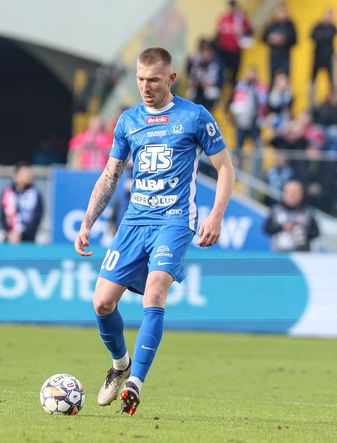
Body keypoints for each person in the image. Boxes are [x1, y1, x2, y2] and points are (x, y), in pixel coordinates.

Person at [74, 47, 234, 416]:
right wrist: (87, 222)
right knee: (101, 303)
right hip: (134, 221)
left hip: (175, 219)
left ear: (171, 79)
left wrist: (216, 215)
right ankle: (120, 367)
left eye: (154, 80)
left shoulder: (194, 117)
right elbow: (111, 174)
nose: (146, 87)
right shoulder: (128, 121)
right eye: (141, 80)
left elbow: (226, 168)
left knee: (156, 288)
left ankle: (136, 384)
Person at [263, 180, 320, 251]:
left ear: (301, 194)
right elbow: (267, 229)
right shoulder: (276, 209)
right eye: (289, 193)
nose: (292, 196)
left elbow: (315, 232)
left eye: (295, 193)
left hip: (300, 257)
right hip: (279, 255)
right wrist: (282, 228)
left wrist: (300, 230)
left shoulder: (307, 211)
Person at [0, 162, 43, 243]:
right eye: (24, 174)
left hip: (28, 236)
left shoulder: (35, 194)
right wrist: (9, 233)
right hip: (9, 235)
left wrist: (21, 234)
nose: (27, 177)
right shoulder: (7, 193)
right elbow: (2, 217)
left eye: (29, 174)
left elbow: (36, 217)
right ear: (15, 175)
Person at [215, 0, 253, 88]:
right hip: (224, 50)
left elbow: (250, 31)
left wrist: (243, 31)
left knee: (235, 74)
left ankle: (232, 89)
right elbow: (217, 35)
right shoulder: (223, 18)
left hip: (236, 51)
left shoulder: (241, 19)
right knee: (223, 71)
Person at [263, 5, 298, 85]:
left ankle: (286, 96)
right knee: (272, 78)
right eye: (279, 12)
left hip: (285, 56)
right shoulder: (271, 24)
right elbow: (263, 38)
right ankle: (271, 95)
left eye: (283, 12)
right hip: (273, 55)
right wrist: (271, 39)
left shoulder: (290, 25)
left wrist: (284, 40)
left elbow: (295, 40)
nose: (281, 14)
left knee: (286, 78)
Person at [310, 9, 337, 94]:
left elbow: (329, 36)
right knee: (313, 79)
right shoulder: (318, 26)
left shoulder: (332, 27)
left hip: (328, 57)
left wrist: (321, 36)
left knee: (331, 80)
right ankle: (312, 97)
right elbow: (312, 36)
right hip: (317, 56)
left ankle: (331, 96)